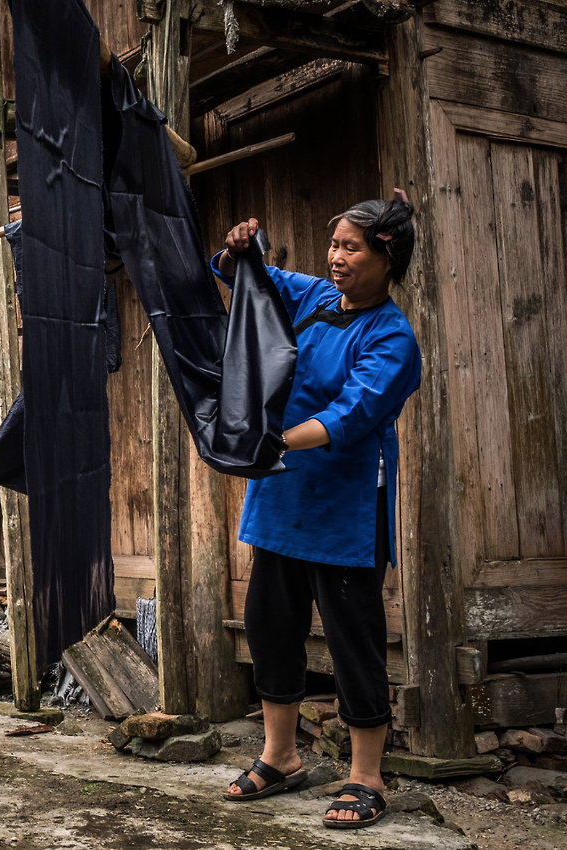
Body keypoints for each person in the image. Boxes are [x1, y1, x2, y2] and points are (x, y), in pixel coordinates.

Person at [213, 191, 422, 829]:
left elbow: (352, 414)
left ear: (387, 258)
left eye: (349, 247)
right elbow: (238, 274)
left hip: (346, 508)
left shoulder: (392, 337)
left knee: (351, 637)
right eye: (333, 244)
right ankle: (281, 756)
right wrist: (238, 247)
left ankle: (366, 776)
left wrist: (273, 440)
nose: (335, 257)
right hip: (279, 497)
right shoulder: (311, 299)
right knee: (271, 624)